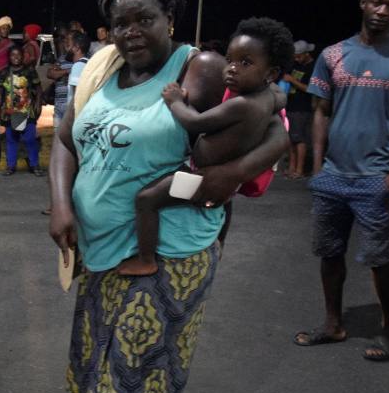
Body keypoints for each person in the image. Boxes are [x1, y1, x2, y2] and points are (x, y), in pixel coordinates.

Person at [4, 0, 288, 393]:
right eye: (120, 21)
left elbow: (236, 151)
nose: (132, 31)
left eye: (145, 19)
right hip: (105, 251)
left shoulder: (199, 68)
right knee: (109, 355)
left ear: (170, 20)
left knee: (128, 370)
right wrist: (61, 204)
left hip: (168, 251)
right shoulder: (101, 71)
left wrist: (221, 177)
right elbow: (64, 141)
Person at [294, 0, 389, 361]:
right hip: (333, 176)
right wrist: (318, 167)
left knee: (377, 258)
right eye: (376, 2)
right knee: (329, 253)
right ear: (363, 3)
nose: (382, 10)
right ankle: (332, 325)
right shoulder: (334, 54)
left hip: (376, 177)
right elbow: (321, 111)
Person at [118, 17, 294, 276]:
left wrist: (176, 101)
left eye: (245, 63)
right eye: (230, 59)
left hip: (198, 175)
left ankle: (146, 259)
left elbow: (194, 123)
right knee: (223, 203)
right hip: (219, 172)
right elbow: (280, 96)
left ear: (270, 73)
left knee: (146, 199)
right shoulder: (269, 97)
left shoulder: (242, 105)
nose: (231, 69)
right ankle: (220, 240)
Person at [0, 45, 43, 176]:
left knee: (30, 139)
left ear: (23, 56)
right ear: (9, 57)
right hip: (9, 112)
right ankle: (11, 166)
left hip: (27, 111)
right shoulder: (4, 73)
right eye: (13, 55)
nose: (16, 57)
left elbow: (38, 89)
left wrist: (38, 103)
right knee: (11, 140)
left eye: (19, 54)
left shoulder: (30, 71)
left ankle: (35, 165)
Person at [282, 40, 316, 179]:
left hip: (302, 108)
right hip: (290, 106)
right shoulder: (295, 65)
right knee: (290, 139)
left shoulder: (312, 68)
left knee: (299, 139)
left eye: (299, 56)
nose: (296, 59)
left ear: (307, 53)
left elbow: (311, 89)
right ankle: (292, 166)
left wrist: (292, 80)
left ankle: (299, 169)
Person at [47, 24, 74, 129]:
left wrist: (60, 74)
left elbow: (69, 79)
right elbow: (50, 74)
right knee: (57, 135)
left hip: (69, 103)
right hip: (59, 103)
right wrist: (67, 71)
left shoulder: (76, 60)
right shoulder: (60, 60)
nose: (62, 44)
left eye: (64, 41)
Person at [65, 30, 91, 102]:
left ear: (76, 47)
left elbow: (77, 99)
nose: (65, 49)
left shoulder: (78, 65)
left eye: (67, 45)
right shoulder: (87, 63)